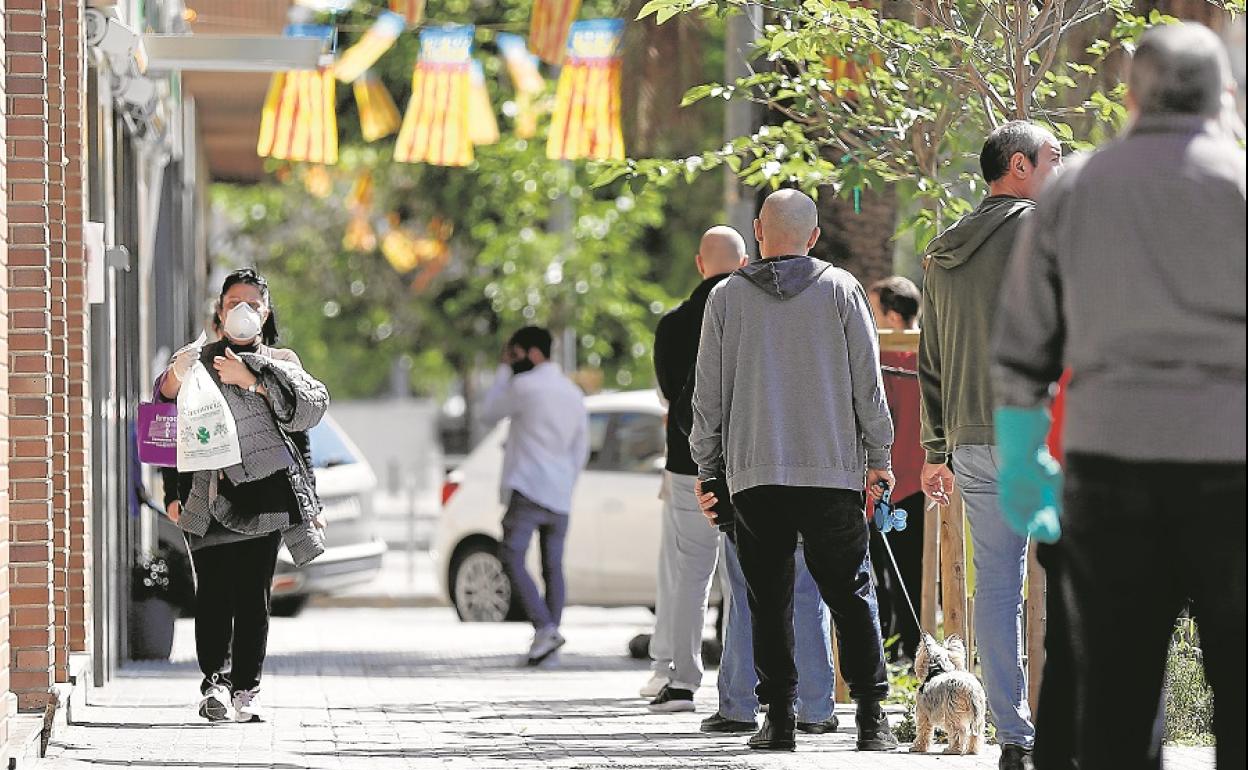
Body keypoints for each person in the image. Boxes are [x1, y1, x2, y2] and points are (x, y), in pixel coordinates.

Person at [993, 22, 1245, 770]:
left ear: (1131, 94)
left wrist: (1019, 460)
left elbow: (1022, 344)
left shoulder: (1076, 188)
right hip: (1232, 465)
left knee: (1115, 689)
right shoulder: (1240, 185)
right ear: (1221, 95)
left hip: (1107, 463)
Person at [690, 189, 897, 753]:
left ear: (759, 231)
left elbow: (706, 398)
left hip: (755, 474)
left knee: (768, 598)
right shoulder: (842, 290)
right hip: (832, 471)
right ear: (813, 237)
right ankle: (873, 720)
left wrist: (708, 469)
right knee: (851, 595)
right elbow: (868, 386)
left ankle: (778, 719)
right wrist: (878, 458)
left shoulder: (726, 298)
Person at [918, 120, 1062, 770]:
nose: (1062, 166)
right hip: (1043, 430)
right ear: (1019, 167)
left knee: (998, 588)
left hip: (973, 439)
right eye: (1054, 156)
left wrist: (934, 448)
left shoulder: (943, 252)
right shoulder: (1042, 231)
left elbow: (930, 361)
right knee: (1079, 578)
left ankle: (1015, 736)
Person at [159, 268, 328, 723]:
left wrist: (251, 380)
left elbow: (301, 429)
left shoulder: (282, 359)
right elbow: (167, 421)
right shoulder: (197, 359)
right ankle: (215, 681)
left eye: (252, 304)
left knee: (254, 595)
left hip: (267, 495)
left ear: (266, 311)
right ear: (219, 309)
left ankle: (246, 690)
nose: (243, 311)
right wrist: (171, 491)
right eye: (234, 302)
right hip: (207, 492)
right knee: (213, 592)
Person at [642, 226, 748, 712]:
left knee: (690, 573)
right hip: (749, 462)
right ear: (744, 263)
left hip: (688, 464)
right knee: (749, 572)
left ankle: (681, 681)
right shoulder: (753, 314)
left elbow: (667, 393)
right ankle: (751, 683)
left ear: (699, 264)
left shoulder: (673, 323)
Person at [479, 326, 590, 666]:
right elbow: (581, 448)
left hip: (528, 489)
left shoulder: (523, 386)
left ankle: (544, 629)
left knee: (511, 556)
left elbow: (487, 413)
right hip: (559, 493)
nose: (511, 361)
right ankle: (549, 644)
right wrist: (567, 482)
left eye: (514, 354)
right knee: (553, 567)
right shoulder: (573, 393)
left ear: (533, 354)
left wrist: (502, 370)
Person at [867, 276, 925, 662]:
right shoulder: (933, 355)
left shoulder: (881, 356)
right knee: (916, 576)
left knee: (876, 576)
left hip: (882, 480)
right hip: (924, 479)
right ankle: (917, 651)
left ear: (890, 315)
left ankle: (885, 652)